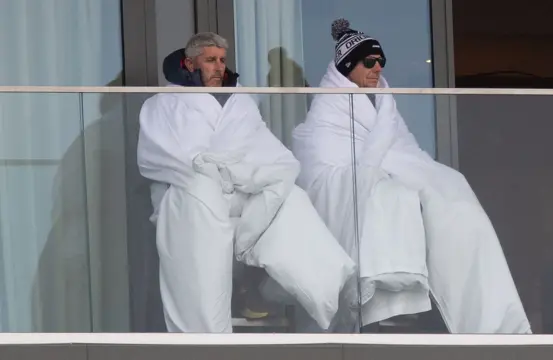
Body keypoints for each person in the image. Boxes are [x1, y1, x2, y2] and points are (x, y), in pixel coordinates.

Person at [291, 19, 532, 333]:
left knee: (453, 195)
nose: (378, 68)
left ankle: (492, 322)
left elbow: (406, 153)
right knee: (390, 197)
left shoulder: (384, 103)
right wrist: (371, 174)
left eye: (381, 62)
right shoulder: (326, 112)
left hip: (393, 175)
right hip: (353, 187)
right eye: (369, 62)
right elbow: (321, 165)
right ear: (346, 67)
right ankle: (387, 300)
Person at [138, 32, 356, 333]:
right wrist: (222, 170)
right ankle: (210, 332)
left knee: (291, 199)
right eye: (210, 60)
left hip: (242, 189)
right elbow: (171, 156)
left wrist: (241, 173)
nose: (219, 67)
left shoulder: (240, 101)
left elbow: (262, 147)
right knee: (204, 197)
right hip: (190, 195)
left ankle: (312, 293)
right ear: (189, 63)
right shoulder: (163, 104)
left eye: (222, 60)